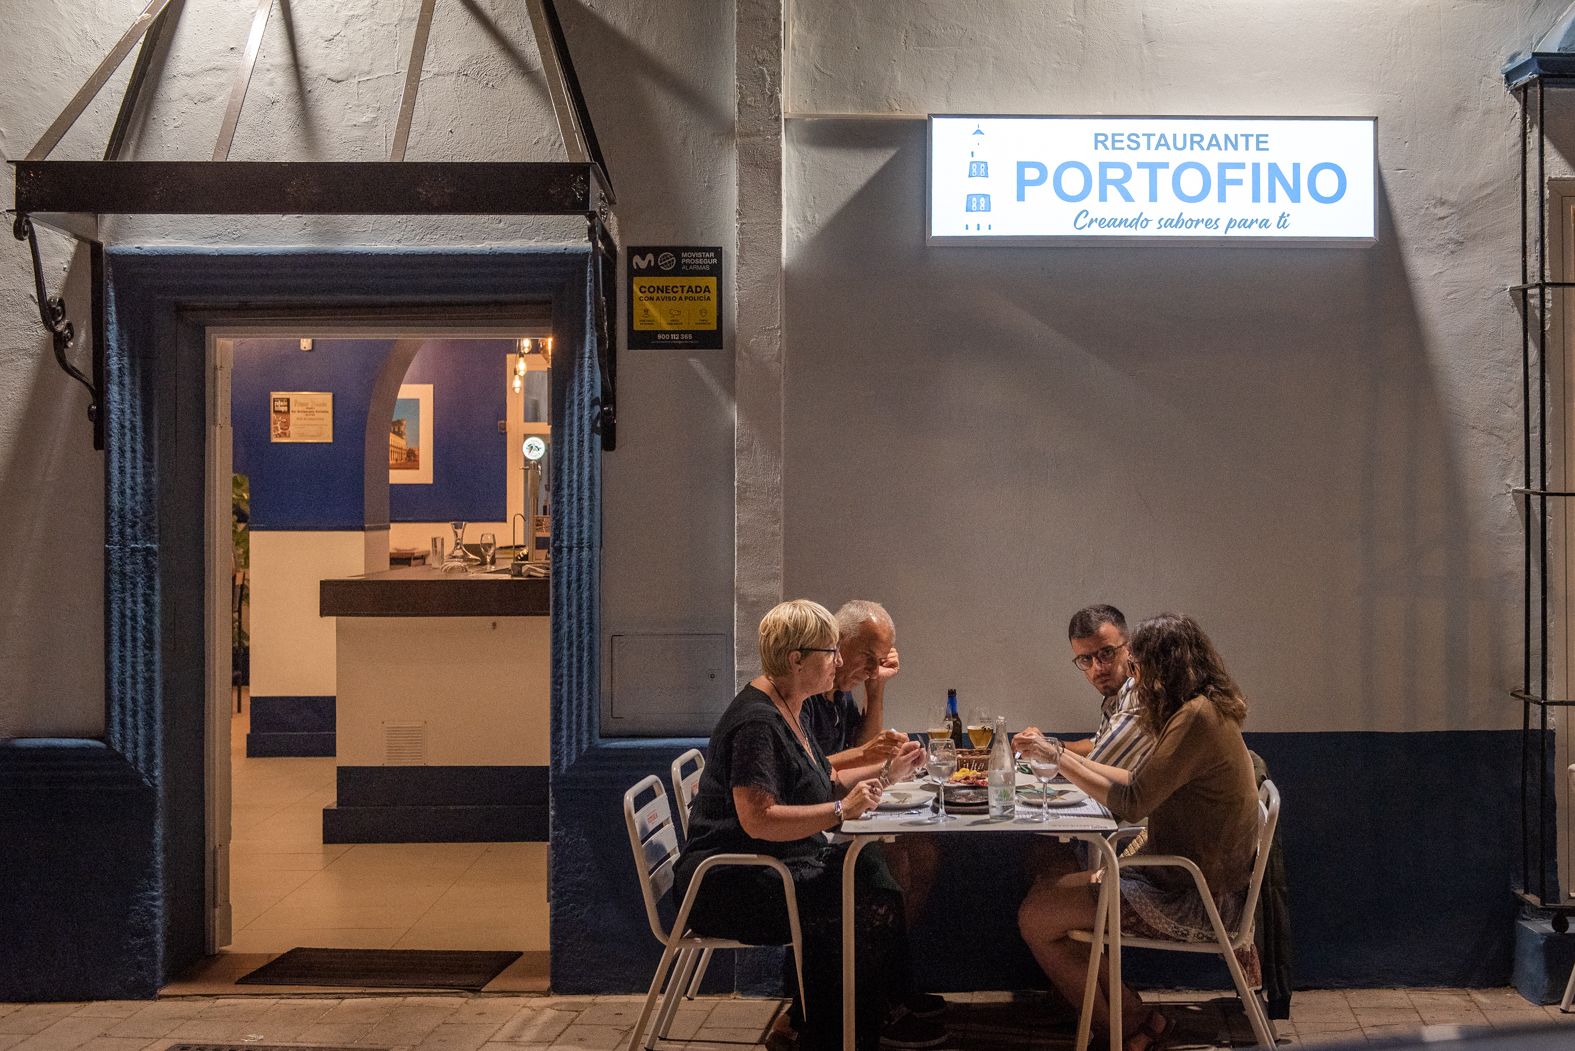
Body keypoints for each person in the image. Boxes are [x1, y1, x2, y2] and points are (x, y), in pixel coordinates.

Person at [674, 599, 946, 1051]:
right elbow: (758, 819)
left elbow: (825, 780)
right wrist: (841, 812)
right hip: (733, 883)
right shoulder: (757, 722)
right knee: (858, 903)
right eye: (831, 653)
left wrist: (887, 775)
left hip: (771, 866)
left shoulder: (789, 706)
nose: (839, 663)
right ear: (796, 659)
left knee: (872, 875)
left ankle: (845, 1025)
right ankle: (835, 1032)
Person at [1015, 613, 1261, 1051]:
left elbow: (1132, 804)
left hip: (1195, 898)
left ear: (1165, 666)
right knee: (1047, 890)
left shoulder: (1196, 719)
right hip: (1188, 879)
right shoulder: (1199, 710)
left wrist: (1056, 755)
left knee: (1035, 918)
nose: (1136, 675)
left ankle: (1127, 1030)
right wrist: (1059, 756)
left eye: (1140, 664)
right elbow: (1135, 783)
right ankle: (1132, 1021)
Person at [799, 600, 945, 1026]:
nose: (873, 665)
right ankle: (873, 999)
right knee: (894, 861)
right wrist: (874, 758)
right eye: (870, 656)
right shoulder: (806, 698)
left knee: (925, 852)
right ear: (838, 645)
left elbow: (865, 743)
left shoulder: (839, 694)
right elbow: (815, 770)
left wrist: (876, 687)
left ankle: (884, 984)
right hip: (815, 821)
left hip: (837, 811)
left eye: (881, 659)